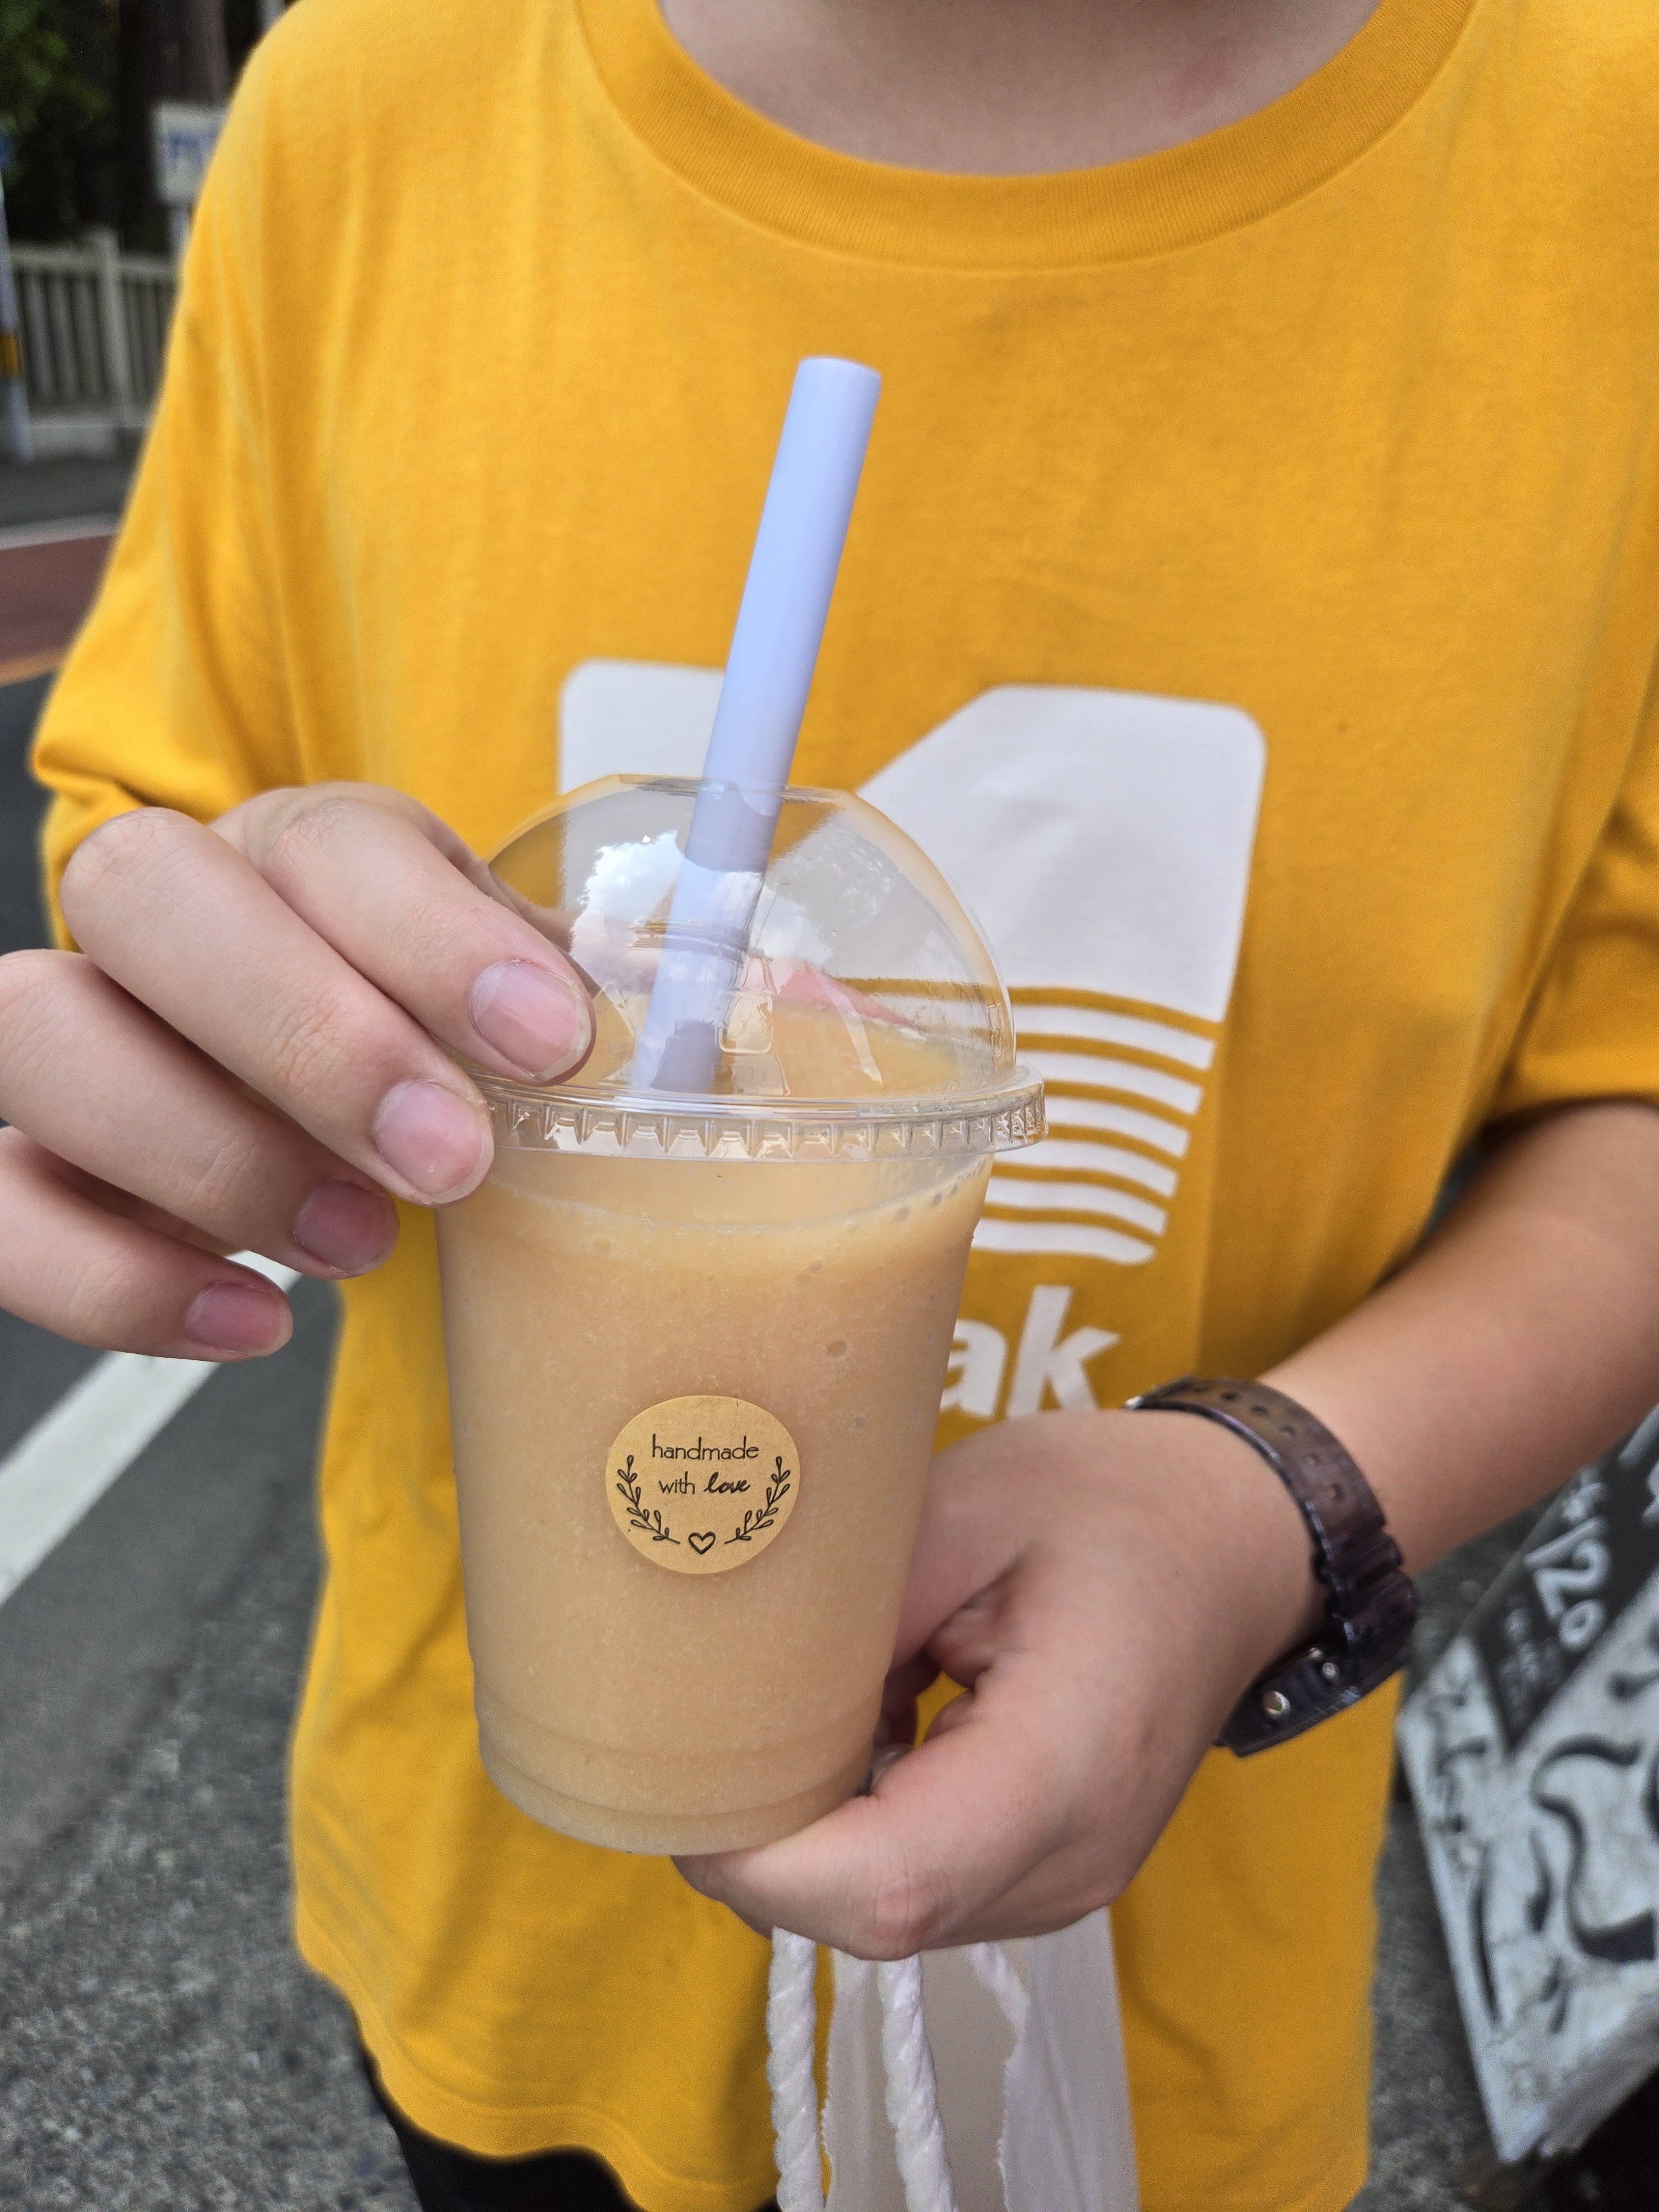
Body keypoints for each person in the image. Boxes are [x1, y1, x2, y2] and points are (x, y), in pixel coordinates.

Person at [3, 0, 1658, 2205]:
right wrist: (207, 1020)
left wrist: (1270, 1509)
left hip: (1170, 1993)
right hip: (507, 1921)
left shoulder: (1614, 158)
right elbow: (144, 840)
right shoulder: (363, 106)